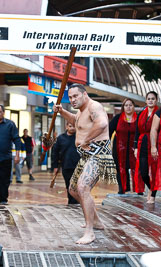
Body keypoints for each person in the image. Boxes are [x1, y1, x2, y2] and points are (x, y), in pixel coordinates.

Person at [53, 83, 116, 245]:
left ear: (84, 94)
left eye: (75, 96)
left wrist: (86, 139)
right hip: (86, 155)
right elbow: (75, 121)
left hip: (98, 153)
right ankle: (96, 221)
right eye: (70, 97)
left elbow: (102, 124)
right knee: (73, 190)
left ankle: (89, 232)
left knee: (82, 187)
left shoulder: (95, 106)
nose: (72, 100)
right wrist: (62, 111)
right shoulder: (81, 112)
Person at [134, 91, 158, 203]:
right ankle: (151, 187)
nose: (151, 101)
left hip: (154, 143)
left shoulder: (159, 113)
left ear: (156, 100)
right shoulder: (142, 113)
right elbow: (137, 131)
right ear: (146, 100)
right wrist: (136, 147)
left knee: (154, 171)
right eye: (149, 98)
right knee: (143, 172)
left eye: (153, 99)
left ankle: (153, 194)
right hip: (142, 143)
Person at [109, 98, 137, 194]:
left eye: (130, 105)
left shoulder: (138, 118)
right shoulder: (117, 118)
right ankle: (123, 188)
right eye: (126, 105)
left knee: (135, 168)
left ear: (133, 107)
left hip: (134, 149)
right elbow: (109, 130)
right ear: (123, 107)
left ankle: (138, 190)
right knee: (121, 169)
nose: (128, 107)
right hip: (119, 149)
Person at [53, 122, 80, 204]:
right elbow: (55, 152)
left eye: (74, 126)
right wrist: (55, 166)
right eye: (70, 126)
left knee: (78, 185)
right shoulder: (60, 138)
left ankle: (77, 202)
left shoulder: (79, 137)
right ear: (66, 127)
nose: (72, 128)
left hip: (79, 166)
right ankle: (71, 202)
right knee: (69, 185)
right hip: (66, 166)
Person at [0, 105, 21, 204]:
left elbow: (17, 140)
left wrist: (17, 155)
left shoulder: (10, 124)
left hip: (5, 158)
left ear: (3, 112)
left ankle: (3, 201)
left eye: (0, 111)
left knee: (4, 180)